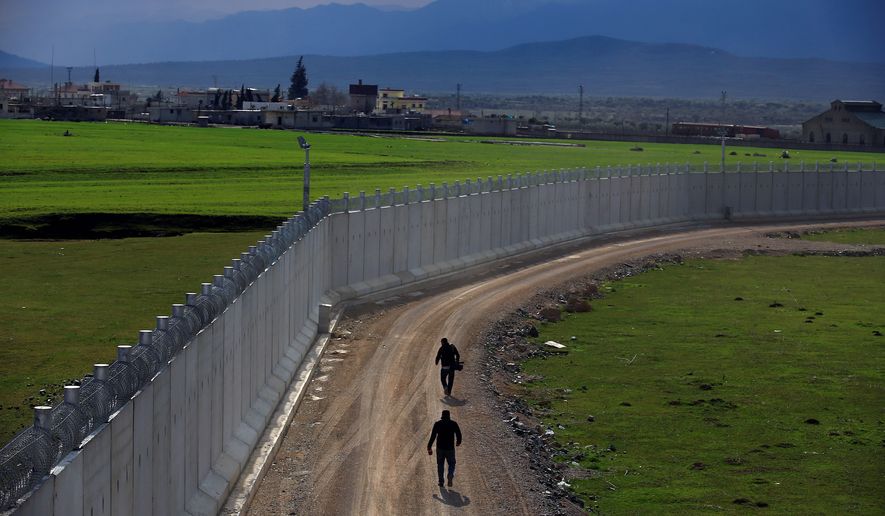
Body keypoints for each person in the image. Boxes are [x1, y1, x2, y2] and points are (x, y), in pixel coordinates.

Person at [427, 409, 462, 487]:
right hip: (450, 448)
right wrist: (458, 442)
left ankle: (441, 482)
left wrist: (429, 447)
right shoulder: (453, 424)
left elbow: (433, 436)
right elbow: (459, 434)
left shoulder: (437, 424)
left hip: (440, 448)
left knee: (440, 464)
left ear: (442, 416)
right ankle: (450, 474)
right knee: (452, 463)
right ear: (449, 416)